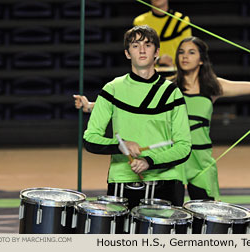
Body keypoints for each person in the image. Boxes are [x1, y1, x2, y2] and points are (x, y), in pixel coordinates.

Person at [75, 36, 250, 201]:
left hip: (202, 159)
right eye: (181, 52)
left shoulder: (213, 87)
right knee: (172, 215)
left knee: (207, 211)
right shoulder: (168, 88)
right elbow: (128, 104)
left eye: (191, 52)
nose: (184, 56)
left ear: (202, 59)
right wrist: (90, 106)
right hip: (173, 159)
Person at [82, 25, 191, 209]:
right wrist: (120, 145)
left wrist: (149, 161)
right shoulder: (112, 89)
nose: (141, 50)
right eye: (135, 45)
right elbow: (90, 139)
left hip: (167, 182)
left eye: (147, 45)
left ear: (156, 52)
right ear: (127, 53)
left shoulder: (172, 93)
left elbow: (184, 146)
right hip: (122, 180)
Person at [134, 0, 191, 67]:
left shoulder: (182, 20)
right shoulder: (139, 22)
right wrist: (158, 60)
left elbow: (188, 51)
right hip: (149, 73)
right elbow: (136, 53)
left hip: (177, 73)